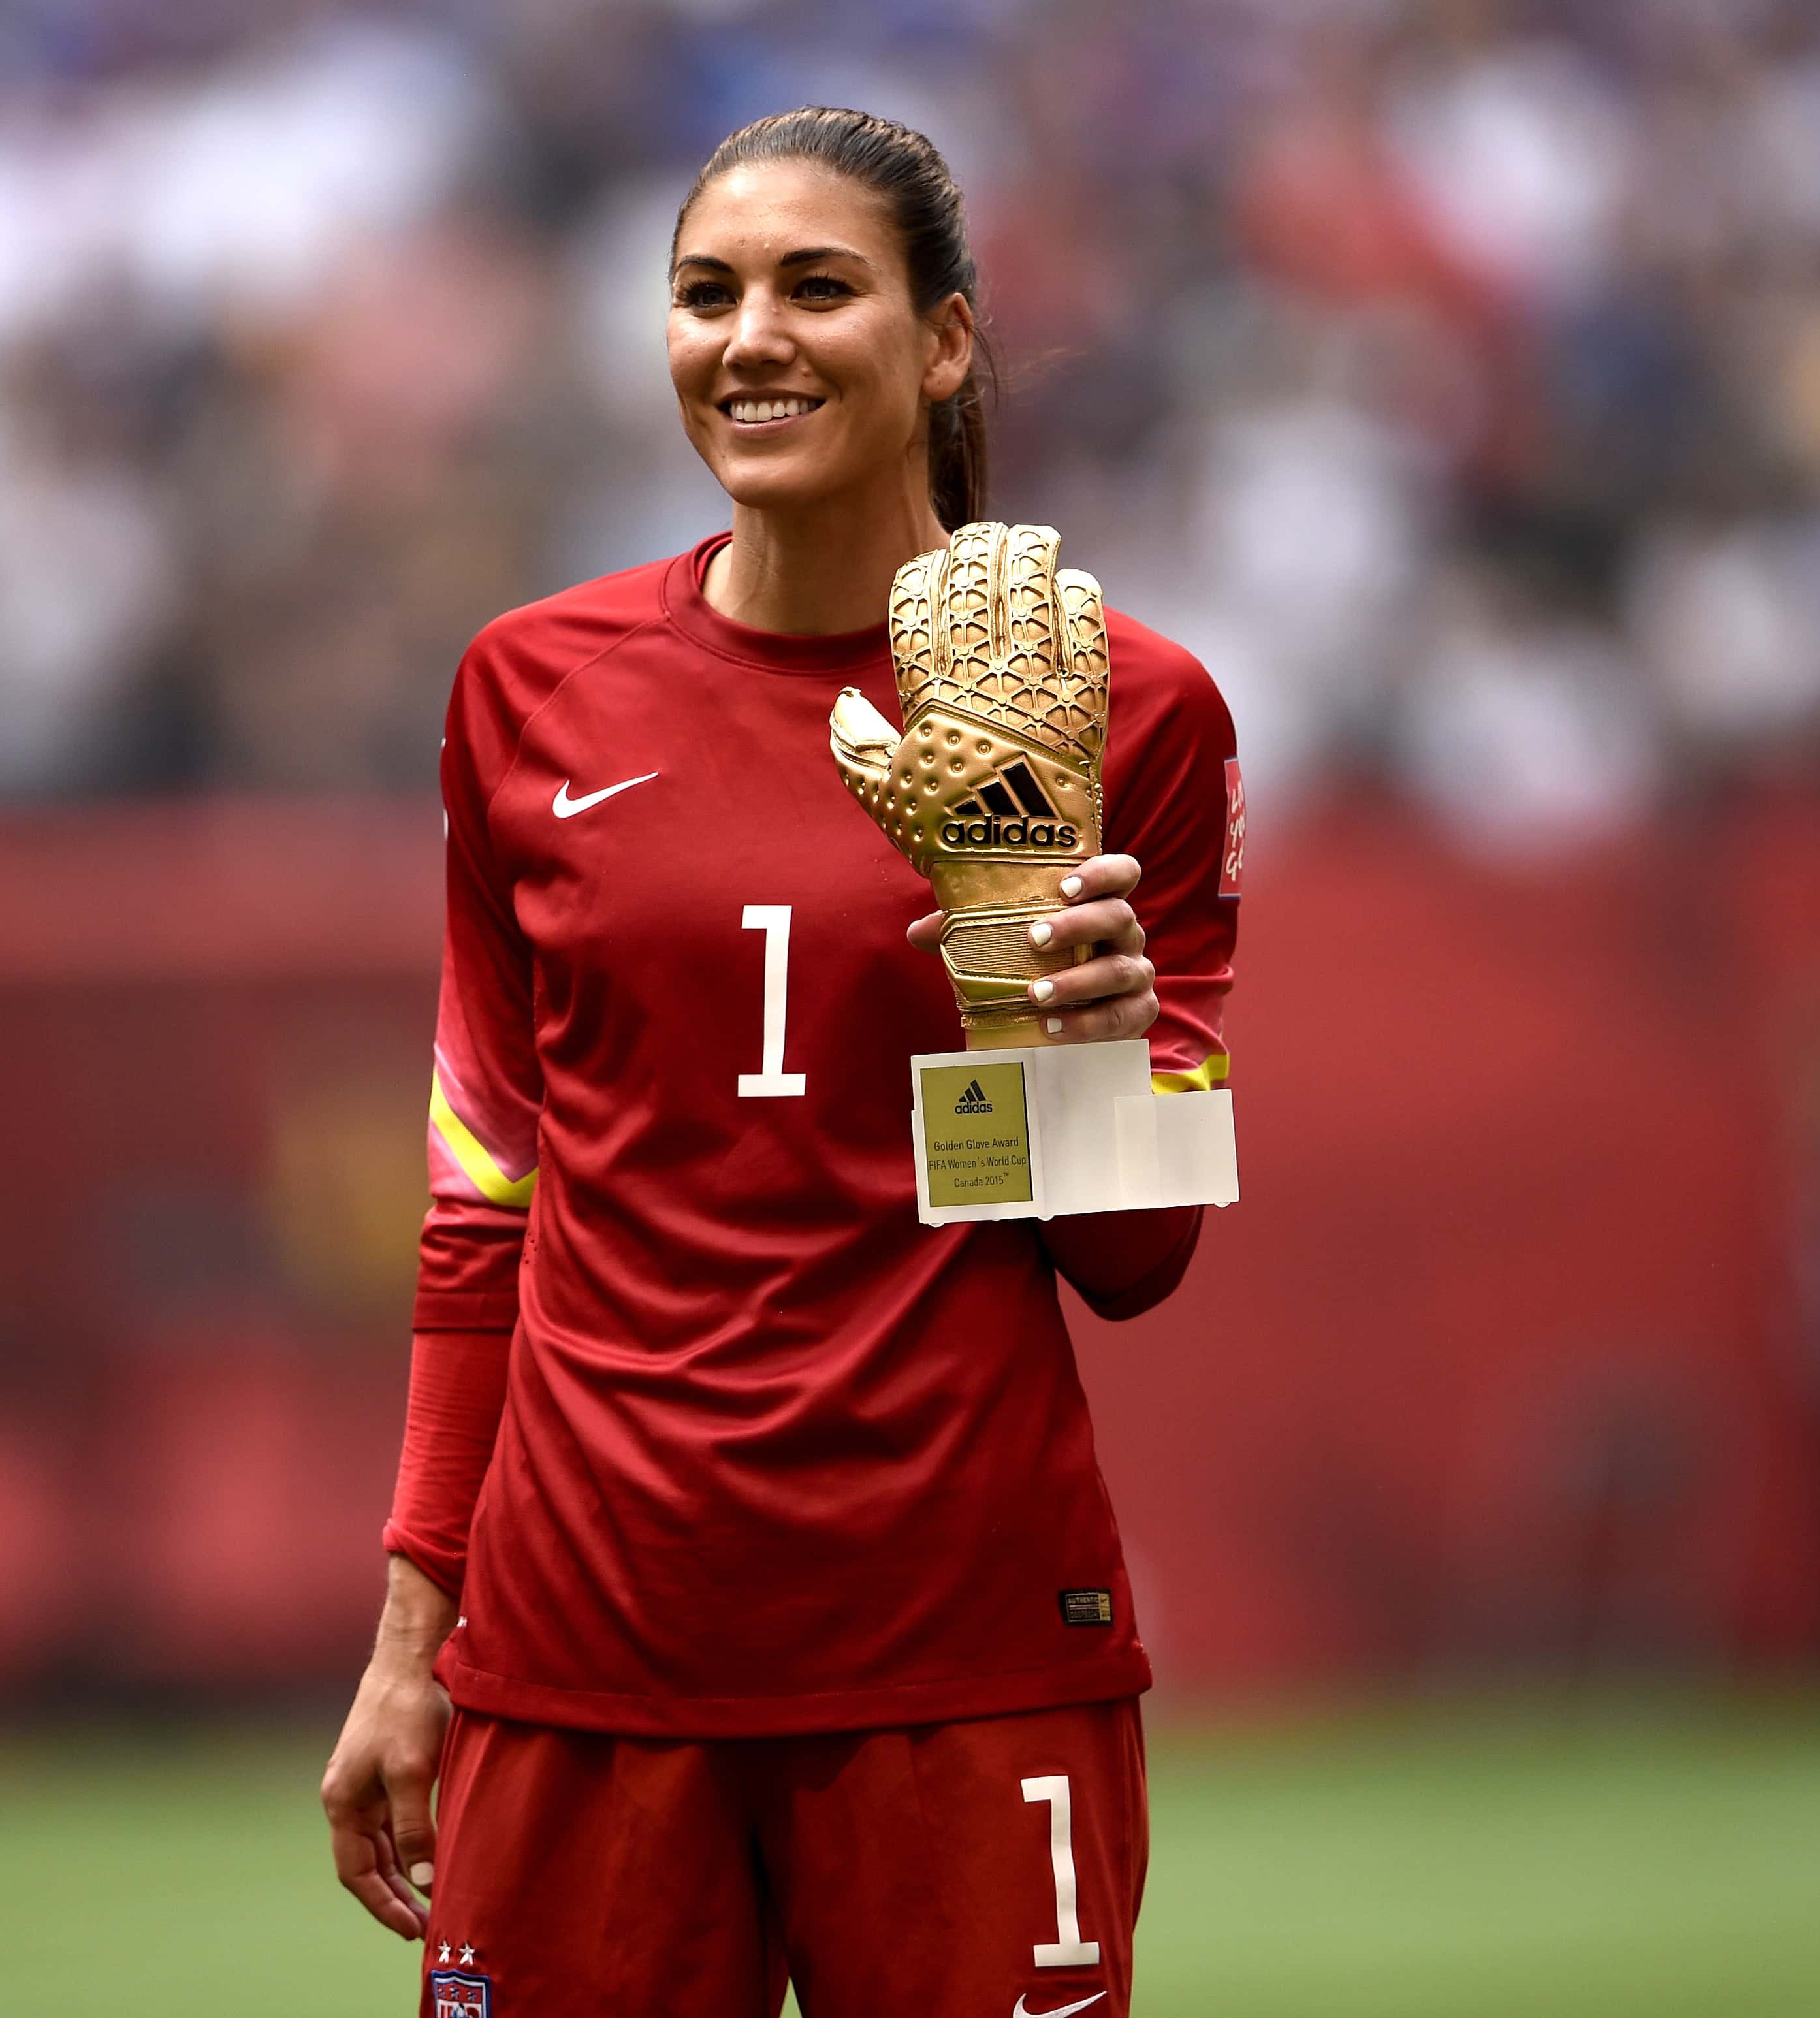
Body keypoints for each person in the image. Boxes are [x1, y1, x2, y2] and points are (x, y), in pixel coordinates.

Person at [320, 107, 1239, 2018]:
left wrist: (1050, 1014)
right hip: (582, 1638)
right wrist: (417, 1629)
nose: (751, 335)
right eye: (704, 293)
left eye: (819, 286)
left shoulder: (1124, 709)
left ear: (946, 341)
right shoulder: (526, 688)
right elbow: (480, 1202)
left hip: (960, 1636)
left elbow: (1132, 1266)